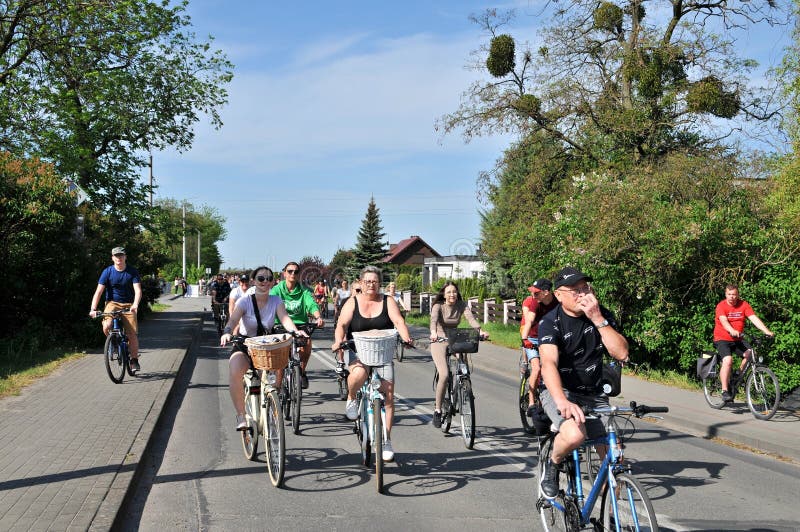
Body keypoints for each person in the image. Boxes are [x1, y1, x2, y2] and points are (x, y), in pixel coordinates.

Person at [537, 267, 630, 499]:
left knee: (616, 460)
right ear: (558, 295)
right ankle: (553, 462)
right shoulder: (550, 322)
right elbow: (547, 363)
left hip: (594, 392)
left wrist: (598, 319)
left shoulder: (601, 314)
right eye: (575, 290)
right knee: (575, 436)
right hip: (561, 390)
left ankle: (610, 517)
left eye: (585, 288)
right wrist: (562, 401)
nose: (582, 294)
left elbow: (621, 354)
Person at [333, 266, 413, 462]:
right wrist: (338, 341)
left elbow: (399, 321)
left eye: (375, 281)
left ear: (379, 283)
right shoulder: (352, 302)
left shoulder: (388, 301)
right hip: (358, 351)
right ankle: (352, 397)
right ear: (361, 283)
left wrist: (406, 337)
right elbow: (342, 324)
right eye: (367, 281)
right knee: (359, 375)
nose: (371, 284)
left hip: (382, 353)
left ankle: (386, 440)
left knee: (388, 395)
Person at [220, 267, 305, 430]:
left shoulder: (276, 301)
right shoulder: (244, 301)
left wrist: (295, 331)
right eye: (260, 278)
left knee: (274, 374)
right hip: (245, 345)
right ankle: (241, 416)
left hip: (266, 346)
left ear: (273, 282)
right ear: (254, 281)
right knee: (235, 370)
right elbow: (233, 321)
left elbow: (285, 318)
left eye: (268, 279)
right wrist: (227, 332)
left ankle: (274, 398)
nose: (264, 281)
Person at [428, 282, 487, 428]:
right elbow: (433, 320)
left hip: (455, 337)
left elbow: (471, 319)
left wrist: (480, 331)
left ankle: (464, 386)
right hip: (439, 339)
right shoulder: (438, 306)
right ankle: (437, 410)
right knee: (444, 375)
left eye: (454, 291)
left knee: (463, 366)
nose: (452, 294)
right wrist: (433, 333)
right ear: (444, 294)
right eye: (449, 292)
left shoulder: (462, 305)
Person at [713, 284, 775, 402]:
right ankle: (725, 390)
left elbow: (753, 318)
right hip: (722, 338)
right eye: (729, 294)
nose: (732, 297)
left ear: (738, 294)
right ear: (726, 294)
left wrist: (767, 331)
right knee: (728, 360)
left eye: (734, 294)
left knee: (751, 353)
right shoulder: (721, 306)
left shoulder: (743, 305)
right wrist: (731, 330)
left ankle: (737, 376)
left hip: (738, 339)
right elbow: (724, 321)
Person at [270, 262, 324, 389]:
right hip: (281, 325)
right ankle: (277, 388)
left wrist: (318, 316)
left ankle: (302, 371)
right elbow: (269, 304)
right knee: (281, 357)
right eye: (290, 271)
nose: (293, 274)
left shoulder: (303, 290)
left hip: (301, 324)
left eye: (296, 271)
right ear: (284, 273)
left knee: (307, 344)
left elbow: (311, 304)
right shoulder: (277, 289)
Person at [89, 247, 143, 372]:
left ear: (125, 257)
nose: (119, 258)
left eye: (121, 255)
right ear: (112, 258)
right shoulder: (107, 272)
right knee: (107, 325)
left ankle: (134, 361)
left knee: (131, 334)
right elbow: (98, 292)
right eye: (116, 256)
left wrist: (135, 304)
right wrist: (93, 308)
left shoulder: (132, 272)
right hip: (112, 303)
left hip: (129, 304)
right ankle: (113, 342)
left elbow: (138, 290)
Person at [520, 278, 558, 415]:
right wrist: (524, 338)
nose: (533, 295)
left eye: (536, 293)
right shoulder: (534, 303)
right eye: (532, 292)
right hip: (533, 338)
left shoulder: (557, 303)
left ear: (546, 292)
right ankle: (531, 403)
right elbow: (529, 320)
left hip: (550, 338)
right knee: (536, 368)